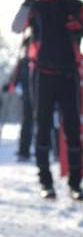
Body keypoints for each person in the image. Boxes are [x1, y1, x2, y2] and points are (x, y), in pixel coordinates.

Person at [10, 0, 83, 199]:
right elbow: (16, 28)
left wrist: (80, 27)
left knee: (71, 128)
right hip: (42, 74)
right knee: (43, 128)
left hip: (67, 74)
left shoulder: (73, 6)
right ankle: (47, 183)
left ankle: (74, 184)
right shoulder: (34, 7)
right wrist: (27, 2)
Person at [5, 28, 36, 161]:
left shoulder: (41, 61)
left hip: (42, 96)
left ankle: (49, 150)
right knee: (27, 124)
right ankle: (24, 151)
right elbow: (15, 79)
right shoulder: (23, 62)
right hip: (28, 97)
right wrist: (10, 86)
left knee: (45, 123)